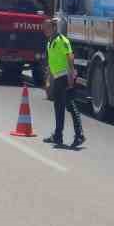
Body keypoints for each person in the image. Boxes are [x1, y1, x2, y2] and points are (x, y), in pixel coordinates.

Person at [42, 18, 84, 149]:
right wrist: (48, 80)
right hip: (57, 78)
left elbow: (70, 58)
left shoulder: (62, 41)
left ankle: (79, 135)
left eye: (47, 27)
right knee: (58, 107)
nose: (45, 30)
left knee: (70, 105)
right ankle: (58, 135)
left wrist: (71, 77)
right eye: (44, 28)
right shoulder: (50, 42)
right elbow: (50, 63)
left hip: (65, 77)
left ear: (54, 28)